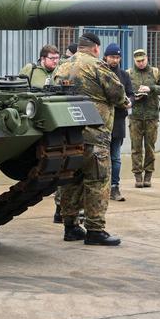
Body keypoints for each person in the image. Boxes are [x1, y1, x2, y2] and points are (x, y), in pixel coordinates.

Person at [52, 32, 126, 245]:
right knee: (98, 180)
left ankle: (70, 227)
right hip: (94, 134)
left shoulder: (62, 66)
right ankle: (95, 230)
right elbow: (118, 94)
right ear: (95, 48)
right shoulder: (97, 66)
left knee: (70, 180)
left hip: (69, 134)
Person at [127, 48, 160, 188]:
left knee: (150, 147)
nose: (140, 63)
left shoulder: (155, 72)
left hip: (152, 116)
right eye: (138, 61)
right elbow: (123, 92)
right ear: (134, 61)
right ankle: (137, 175)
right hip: (135, 116)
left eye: (142, 60)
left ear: (147, 58)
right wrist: (134, 95)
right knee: (136, 148)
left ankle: (148, 175)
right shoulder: (129, 74)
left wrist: (151, 88)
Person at [101, 43, 134, 202]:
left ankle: (115, 187)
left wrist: (130, 102)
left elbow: (130, 94)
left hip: (119, 120)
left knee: (116, 157)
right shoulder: (100, 72)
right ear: (105, 57)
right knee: (101, 156)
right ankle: (102, 187)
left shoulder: (124, 75)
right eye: (112, 57)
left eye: (117, 57)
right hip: (102, 121)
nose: (115, 60)